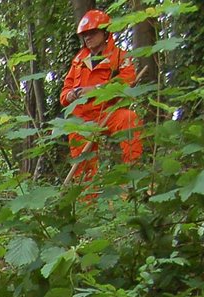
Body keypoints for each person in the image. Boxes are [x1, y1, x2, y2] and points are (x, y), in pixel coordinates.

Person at [61, 9, 142, 183]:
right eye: (85, 35)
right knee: (82, 164)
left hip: (108, 112)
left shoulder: (119, 56)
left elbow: (128, 80)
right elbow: (64, 93)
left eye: (92, 33)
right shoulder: (77, 61)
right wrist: (71, 95)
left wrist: (96, 89)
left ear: (105, 32)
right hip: (82, 118)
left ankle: (133, 180)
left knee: (129, 119)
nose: (88, 38)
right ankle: (86, 200)